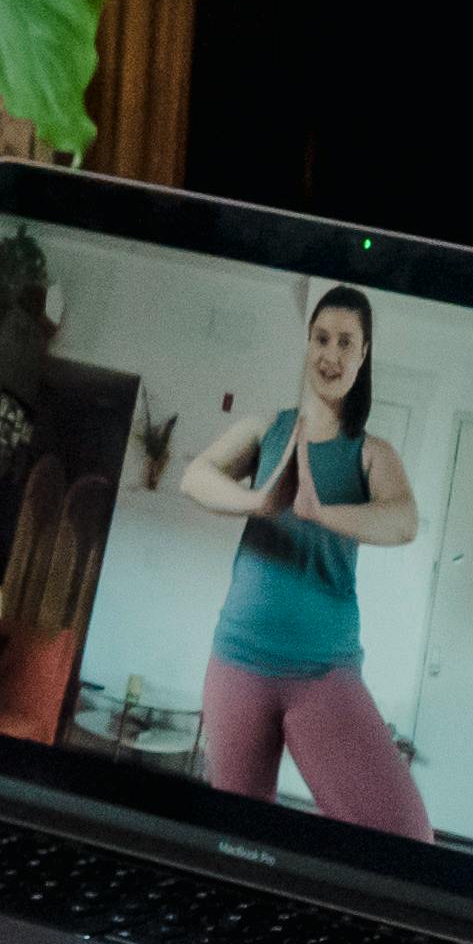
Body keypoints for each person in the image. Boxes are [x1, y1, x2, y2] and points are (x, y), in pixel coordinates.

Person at [171, 286, 436, 837]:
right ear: (307, 344)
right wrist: (260, 502)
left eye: (346, 342)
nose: (330, 354)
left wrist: (319, 512)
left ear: (363, 356)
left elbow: (403, 520)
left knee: (408, 835)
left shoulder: (371, 452)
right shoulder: (267, 427)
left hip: (323, 670)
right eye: (321, 338)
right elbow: (193, 476)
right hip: (238, 659)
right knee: (239, 845)